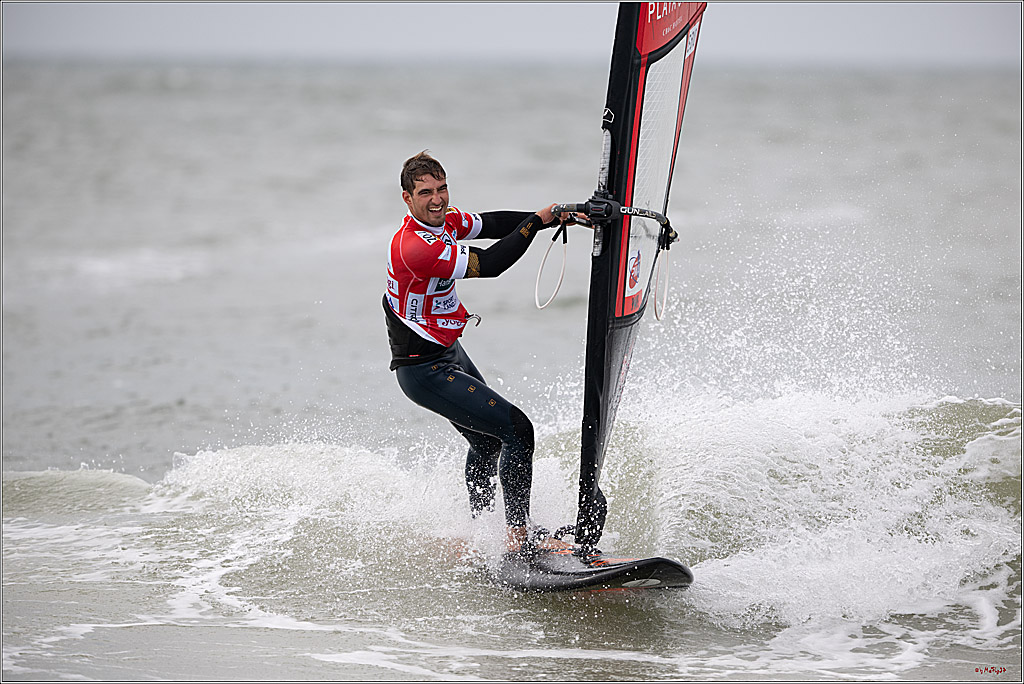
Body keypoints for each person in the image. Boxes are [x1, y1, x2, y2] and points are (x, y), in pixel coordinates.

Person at [383, 150, 577, 554]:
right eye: (425, 193)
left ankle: (483, 533)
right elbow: (489, 263)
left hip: (447, 353)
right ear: (407, 198)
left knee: (489, 443)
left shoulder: (445, 221)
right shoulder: (414, 247)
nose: (437, 200)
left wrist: (552, 214)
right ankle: (518, 541)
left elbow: (492, 223)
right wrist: (538, 222)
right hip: (423, 370)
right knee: (518, 431)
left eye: (442, 189)